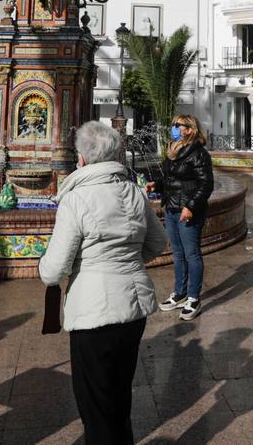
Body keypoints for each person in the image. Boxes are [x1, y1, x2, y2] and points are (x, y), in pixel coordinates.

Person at [39, 122, 168, 445]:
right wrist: (128, 263)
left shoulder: (77, 198)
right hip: (133, 307)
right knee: (119, 394)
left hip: (94, 312)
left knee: (95, 402)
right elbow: (158, 243)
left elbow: (53, 272)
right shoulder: (134, 192)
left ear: (81, 159)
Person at [147, 114, 214, 321]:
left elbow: (206, 184)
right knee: (177, 253)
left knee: (191, 254)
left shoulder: (198, 154)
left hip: (188, 211)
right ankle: (180, 293)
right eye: (173, 125)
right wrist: (156, 185)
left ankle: (194, 297)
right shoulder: (174, 150)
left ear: (190, 129)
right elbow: (170, 178)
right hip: (171, 208)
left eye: (178, 125)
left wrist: (191, 207)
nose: (173, 128)